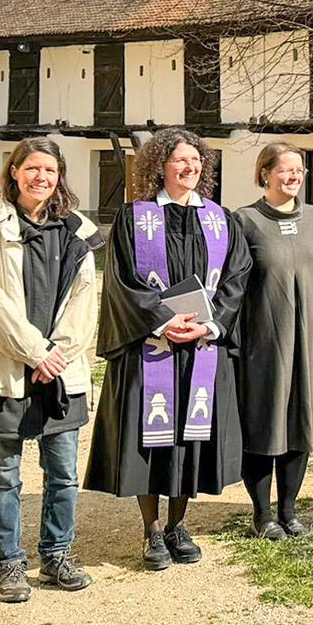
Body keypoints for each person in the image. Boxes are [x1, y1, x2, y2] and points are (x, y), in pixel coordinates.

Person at [85, 127, 253, 570]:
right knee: (152, 436)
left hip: (202, 349)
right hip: (152, 348)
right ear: (160, 166)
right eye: (180, 161)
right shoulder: (135, 217)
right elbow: (121, 282)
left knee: (190, 438)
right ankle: (152, 530)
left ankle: (179, 524)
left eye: (195, 161)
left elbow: (236, 278)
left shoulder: (221, 219)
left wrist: (209, 324)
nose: (189, 168)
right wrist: (162, 321)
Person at [0, 137, 102, 604]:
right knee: (4, 475)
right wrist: (34, 352)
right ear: (14, 172)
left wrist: (57, 354)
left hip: (61, 373)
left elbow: (86, 302)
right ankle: (9, 563)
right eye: (32, 169)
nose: (41, 178)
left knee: (62, 471)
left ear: (60, 176)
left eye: (50, 170)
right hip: (6, 368)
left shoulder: (78, 232)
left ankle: (57, 554)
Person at [233, 143, 313, 539]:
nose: (294, 176)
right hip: (264, 341)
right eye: (286, 170)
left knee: (301, 422)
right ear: (265, 174)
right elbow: (235, 283)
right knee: (265, 422)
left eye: (300, 170)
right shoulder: (245, 221)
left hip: (310, 336)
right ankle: (262, 512)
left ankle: (290, 508)